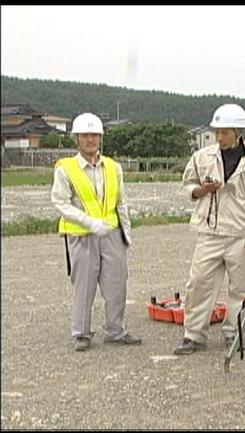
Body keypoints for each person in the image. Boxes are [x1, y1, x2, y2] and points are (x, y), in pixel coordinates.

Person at [174, 103, 245, 355]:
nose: (220, 137)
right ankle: (194, 335)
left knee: (240, 289)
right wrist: (202, 190)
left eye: (225, 132)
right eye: (217, 132)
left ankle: (235, 333)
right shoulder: (202, 158)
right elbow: (188, 185)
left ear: (238, 132)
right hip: (210, 232)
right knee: (198, 284)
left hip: (242, 234)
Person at [51, 112, 141, 352]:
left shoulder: (113, 167)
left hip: (112, 233)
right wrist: (89, 222)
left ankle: (115, 330)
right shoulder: (65, 169)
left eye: (94, 135)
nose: (90, 139)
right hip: (81, 235)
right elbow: (60, 203)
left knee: (116, 283)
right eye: (85, 135)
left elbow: (121, 201)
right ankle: (81, 333)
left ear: (100, 138)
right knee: (84, 286)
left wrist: (126, 233)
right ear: (76, 139)